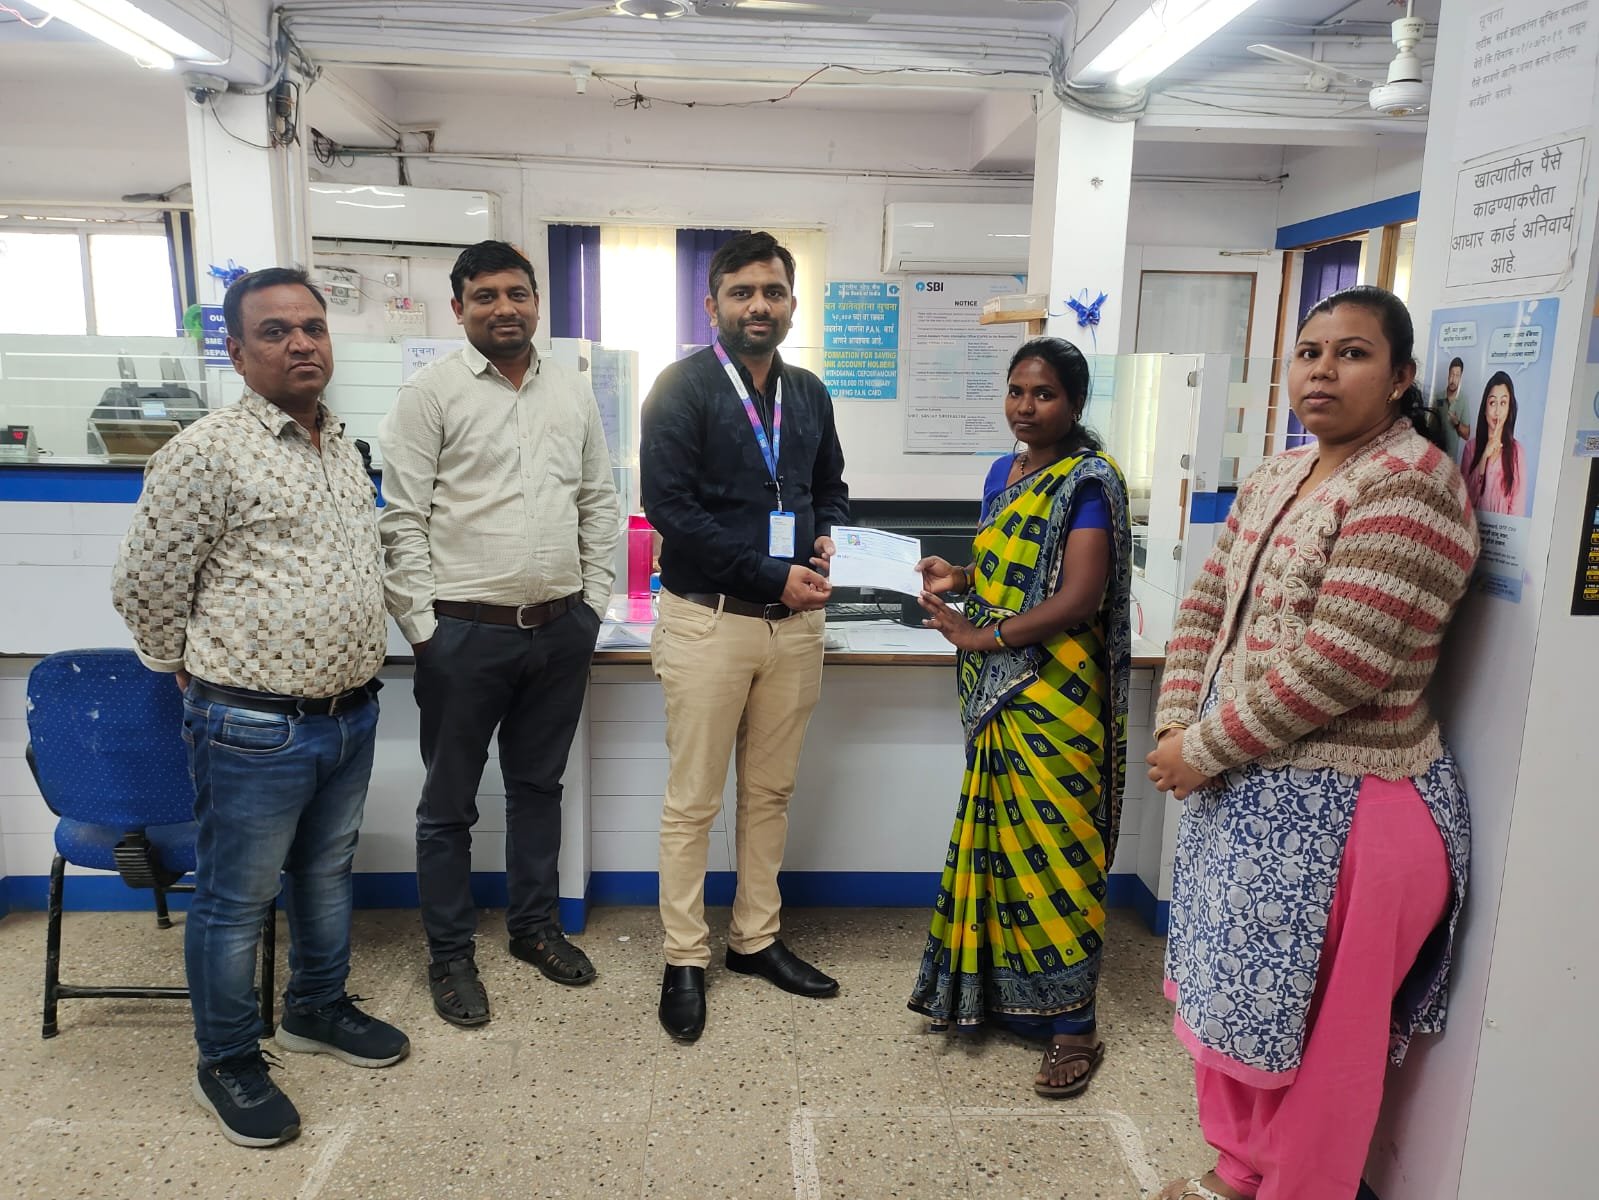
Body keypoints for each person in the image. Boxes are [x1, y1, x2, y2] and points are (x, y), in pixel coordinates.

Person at [1144, 285, 1476, 1200]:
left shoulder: (1408, 484)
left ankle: (1297, 1188)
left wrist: (1201, 749)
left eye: (1352, 353)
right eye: (1309, 351)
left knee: (1322, 1039)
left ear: (1401, 377)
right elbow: (1204, 607)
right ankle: (1238, 1171)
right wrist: (1176, 723)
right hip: (1244, 793)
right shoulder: (1277, 475)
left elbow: (1344, 661)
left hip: (1350, 812)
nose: (1322, 370)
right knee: (1240, 1004)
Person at [112, 267, 408, 1149]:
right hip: (251, 725)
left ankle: (315, 1007)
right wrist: (179, 666)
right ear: (238, 355)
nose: (300, 343)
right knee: (236, 902)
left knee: (325, 875)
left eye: (312, 327)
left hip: (350, 713)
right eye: (274, 332)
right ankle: (228, 1060)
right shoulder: (205, 452)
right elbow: (144, 584)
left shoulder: (341, 445)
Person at [379, 241, 618, 1027]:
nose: (503, 308)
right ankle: (450, 956)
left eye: (517, 293)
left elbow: (597, 501)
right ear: (458, 309)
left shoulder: (571, 391)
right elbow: (402, 519)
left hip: (558, 630)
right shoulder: (429, 394)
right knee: (448, 806)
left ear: (537, 303)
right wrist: (424, 631)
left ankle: (533, 929)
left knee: (538, 790)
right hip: (463, 634)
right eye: (484, 296)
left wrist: (592, 605)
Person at [907, 337, 1132, 1099]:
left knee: (1059, 856)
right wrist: (959, 575)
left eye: (1043, 394)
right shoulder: (1001, 475)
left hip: (1058, 698)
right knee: (1001, 846)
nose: (1025, 407)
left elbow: (1077, 597)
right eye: (1015, 391)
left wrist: (984, 636)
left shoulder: (1088, 481)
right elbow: (1008, 568)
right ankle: (998, 997)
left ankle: (1073, 1026)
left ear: (1074, 403)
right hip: (999, 696)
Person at [640, 230, 849, 1042]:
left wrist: (828, 533)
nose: (758, 306)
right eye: (742, 292)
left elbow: (829, 485)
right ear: (713, 305)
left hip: (793, 628)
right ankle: (683, 956)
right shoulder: (682, 389)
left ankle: (754, 939)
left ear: (791, 302)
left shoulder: (809, 393)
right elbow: (670, 509)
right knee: (693, 799)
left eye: (772, 291)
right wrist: (769, 573)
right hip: (710, 621)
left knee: (769, 794)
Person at [1461, 370, 1527, 516]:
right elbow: (1463, 501)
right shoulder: (1470, 448)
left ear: (1509, 409)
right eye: (1492, 403)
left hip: (1501, 530)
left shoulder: (1517, 452)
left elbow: (1517, 510)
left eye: (1503, 403)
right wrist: (1484, 457)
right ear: (1485, 409)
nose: (1497, 411)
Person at [1435, 356, 1471, 462]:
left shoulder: (1463, 400)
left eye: (1457, 375)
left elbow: (1466, 435)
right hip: (1435, 457)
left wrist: (1457, 423)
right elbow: (1431, 426)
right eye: (1451, 374)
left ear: (1460, 378)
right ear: (1448, 375)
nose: (1453, 379)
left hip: (1451, 462)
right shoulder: (1439, 397)